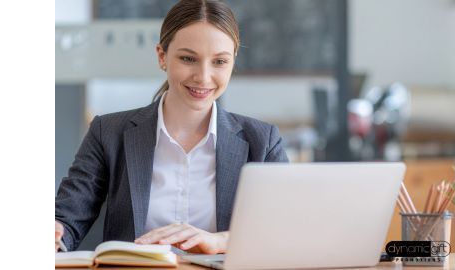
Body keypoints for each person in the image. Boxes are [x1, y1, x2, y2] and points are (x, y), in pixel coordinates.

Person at [55, 0, 287, 255]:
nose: (203, 76)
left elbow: (285, 229)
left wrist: (221, 242)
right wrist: (55, 233)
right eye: (188, 58)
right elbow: (67, 218)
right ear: (162, 56)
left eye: (219, 61)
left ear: (233, 61)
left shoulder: (263, 141)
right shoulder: (108, 132)